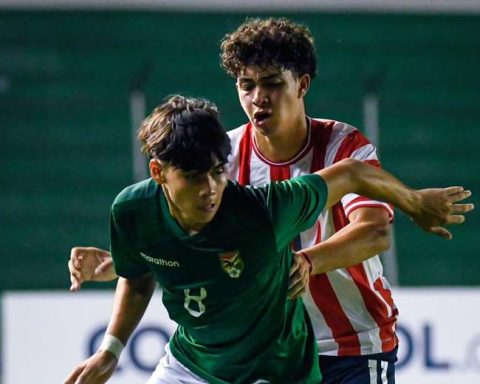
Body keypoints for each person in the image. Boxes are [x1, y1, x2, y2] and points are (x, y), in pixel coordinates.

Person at [68, 18, 472, 383]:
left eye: (273, 83)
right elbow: (193, 244)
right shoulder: (221, 157)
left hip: (349, 342)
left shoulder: (343, 145)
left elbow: (375, 230)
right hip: (265, 349)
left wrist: (310, 261)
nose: (258, 97)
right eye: (247, 85)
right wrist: (116, 263)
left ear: (302, 84)